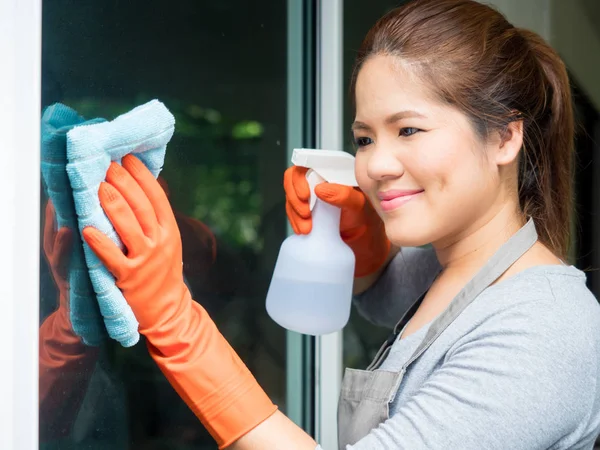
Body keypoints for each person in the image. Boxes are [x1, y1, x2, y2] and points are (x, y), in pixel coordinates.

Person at [82, 0, 600, 448]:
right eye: (366, 138)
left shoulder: (547, 329)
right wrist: (365, 254)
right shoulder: (455, 266)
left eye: (409, 129)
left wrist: (179, 327)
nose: (375, 166)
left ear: (505, 139)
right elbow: (391, 301)